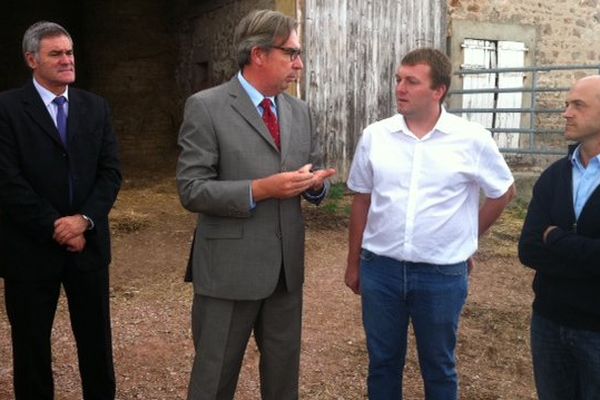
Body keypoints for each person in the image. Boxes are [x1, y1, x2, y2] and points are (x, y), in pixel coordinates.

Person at [176, 9, 335, 400]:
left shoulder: (300, 112)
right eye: (291, 53)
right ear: (259, 54)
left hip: (286, 271)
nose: (299, 64)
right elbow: (191, 189)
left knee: (283, 382)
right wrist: (261, 189)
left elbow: (309, 175)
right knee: (214, 380)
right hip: (228, 272)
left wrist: (314, 188)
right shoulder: (206, 107)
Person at [344, 48, 515, 399]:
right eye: (398, 80)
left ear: (438, 91)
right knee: (382, 363)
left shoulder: (471, 139)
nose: (400, 89)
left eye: (411, 81)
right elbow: (362, 198)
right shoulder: (376, 136)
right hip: (381, 269)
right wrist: (353, 261)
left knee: (438, 366)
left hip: (441, 275)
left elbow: (504, 192)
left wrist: (469, 237)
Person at [0, 21, 121, 399]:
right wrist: (55, 226)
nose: (67, 60)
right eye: (56, 53)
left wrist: (83, 221)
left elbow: (111, 172)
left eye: (69, 52)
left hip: (88, 245)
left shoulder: (95, 107)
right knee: (32, 346)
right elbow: (6, 180)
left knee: (97, 344)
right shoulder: (5, 109)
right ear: (31, 59)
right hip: (29, 249)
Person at [518, 75, 600, 400]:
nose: (566, 112)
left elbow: (545, 244)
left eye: (578, 105)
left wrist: (557, 240)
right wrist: (587, 256)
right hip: (548, 322)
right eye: (567, 104)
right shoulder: (555, 175)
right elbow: (528, 249)